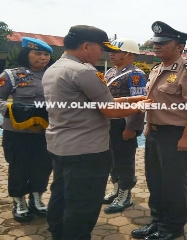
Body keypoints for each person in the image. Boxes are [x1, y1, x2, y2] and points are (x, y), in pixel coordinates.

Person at [42, 25, 150, 240]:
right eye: (101, 49)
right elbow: (108, 109)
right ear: (86, 46)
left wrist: (132, 100)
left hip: (61, 145)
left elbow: (92, 102)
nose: (104, 54)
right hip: (86, 150)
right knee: (83, 204)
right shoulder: (85, 71)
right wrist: (143, 106)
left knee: (61, 195)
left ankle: (58, 232)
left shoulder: (55, 68)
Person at [131, 21, 187, 240]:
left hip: (177, 135)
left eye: (164, 43)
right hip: (156, 134)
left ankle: (172, 227)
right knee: (155, 181)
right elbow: (154, 101)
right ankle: (157, 221)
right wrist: (148, 126)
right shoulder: (157, 69)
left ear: (179, 46)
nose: (157, 47)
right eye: (156, 43)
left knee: (173, 184)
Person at [0, 37, 54, 222]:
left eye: (46, 54)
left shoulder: (53, 75)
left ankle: (37, 198)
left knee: (43, 166)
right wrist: (15, 111)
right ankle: (19, 201)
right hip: (17, 132)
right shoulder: (11, 75)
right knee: (19, 166)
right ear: (27, 54)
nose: (43, 58)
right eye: (38, 54)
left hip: (45, 131)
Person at [102, 38, 147, 214]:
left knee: (124, 160)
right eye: (111, 51)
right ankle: (115, 189)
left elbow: (140, 104)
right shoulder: (111, 72)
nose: (111, 54)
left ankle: (125, 194)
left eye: (115, 51)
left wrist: (132, 128)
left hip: (124, 124)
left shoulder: (136, 75)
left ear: (128, 54)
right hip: (108, 123)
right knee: (111, 159)